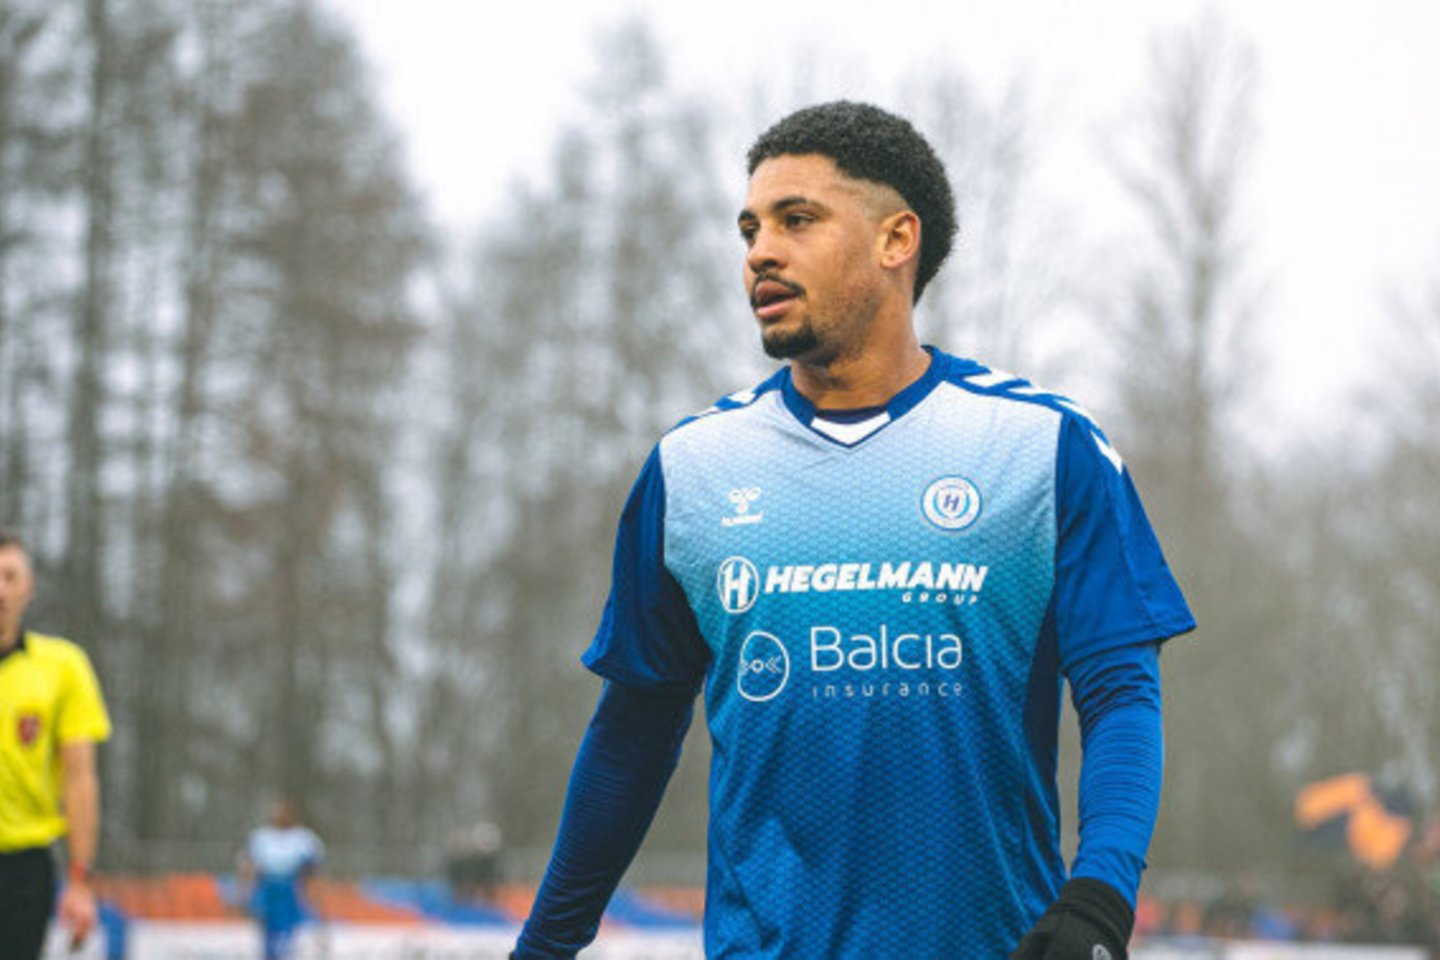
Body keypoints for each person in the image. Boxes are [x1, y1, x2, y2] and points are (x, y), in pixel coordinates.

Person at [511, 101, 1195, 959]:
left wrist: (1099, 902)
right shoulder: (692, 468)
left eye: (797, 220)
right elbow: (630, 736)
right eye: (750, 229)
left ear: (895, 240)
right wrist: (543, 949)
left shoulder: (1042, 447)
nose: (760, 251)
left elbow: (1120, 694)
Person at [0, 528, 112, 959]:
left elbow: (79, 779)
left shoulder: (63, 667)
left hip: (23, 871)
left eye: (10, 576)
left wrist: (80, 881)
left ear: (29, 587)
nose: (0, 590)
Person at [239, 797, 324, 960]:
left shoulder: (303, 838)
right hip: (267, 887)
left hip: (290, 888)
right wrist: (245, 890)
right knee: (267, 929)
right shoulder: (262, 837)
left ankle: (284, 952)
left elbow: (313, 867)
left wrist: (312, 890)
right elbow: (249, 865)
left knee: (287, 931)